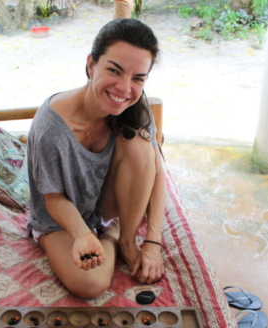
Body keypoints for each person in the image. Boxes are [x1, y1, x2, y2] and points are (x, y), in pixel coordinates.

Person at [26, 18, 166, 299]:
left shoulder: (136, 106)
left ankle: (125, 238)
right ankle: (113, 235)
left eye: (138, 78)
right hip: (60, 218)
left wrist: (151, 242)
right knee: (90, 284)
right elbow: (53, 198)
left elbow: (156, 172)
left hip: (105, 205)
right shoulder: (51, 127)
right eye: (114, 71)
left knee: (141, 144)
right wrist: (82, 234)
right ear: (91, 65)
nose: (125, 88)